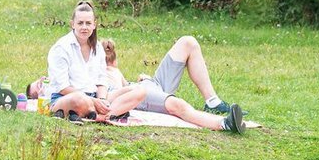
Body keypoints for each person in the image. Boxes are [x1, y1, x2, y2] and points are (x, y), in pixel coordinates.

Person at [101, 34, 247, 133]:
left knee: (188, 42)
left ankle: (213, 102)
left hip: (151, 85)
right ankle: (224, 124)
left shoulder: (113, 71)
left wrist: (142, 79)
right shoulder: (98, 77)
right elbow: (111, 98)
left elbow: (123, 84)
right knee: (177, 105)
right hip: (140, 95)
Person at [39, 0, 112, 120]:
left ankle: (96, 113)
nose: (84, 27)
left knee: (138, 91)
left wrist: (102, 100)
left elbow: (102, 80)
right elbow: (62, 87)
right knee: (78, 99)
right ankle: (103, 115)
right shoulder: (61, 47)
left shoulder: (98, 47)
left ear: (94, 25)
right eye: (80, 23)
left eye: (88, 23)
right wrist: (92, 101)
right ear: (73, 24)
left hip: (94, 97)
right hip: (65, 98)